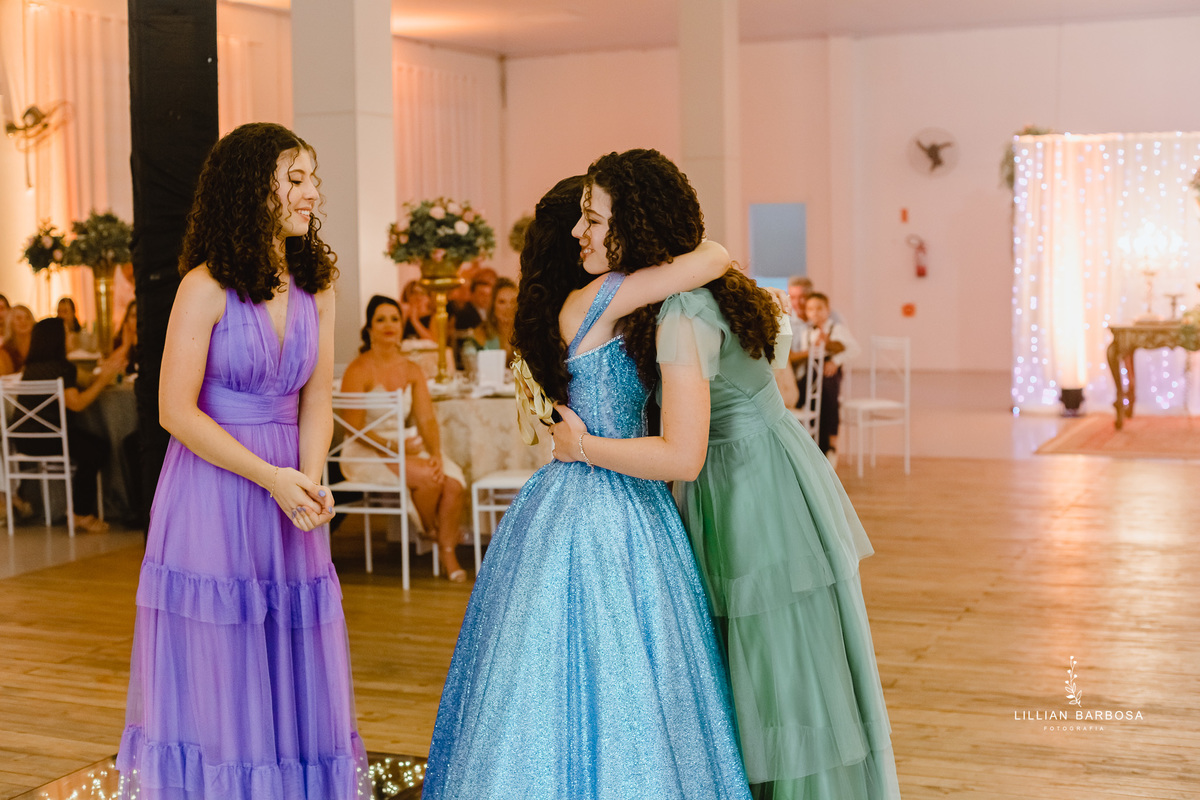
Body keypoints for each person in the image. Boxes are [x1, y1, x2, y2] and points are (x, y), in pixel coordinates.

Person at [552, 149, 901, 800]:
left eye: (593, 219)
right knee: (794, 678)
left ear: (636, 227)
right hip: (774, 475)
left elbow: (683, 457)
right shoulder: (710, 285)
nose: (580, 232)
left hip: (747, 500)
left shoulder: (682, 315)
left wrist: (583, 445)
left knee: (775, 687)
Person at [422, 172, 751, 800]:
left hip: (569, 497)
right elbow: (714, 256)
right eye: (582, 219)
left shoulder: (570, 307)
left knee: (549, 669)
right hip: (617, 500)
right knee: (630, 672)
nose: (583, 232)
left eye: (593, 219)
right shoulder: (601, 298)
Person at [116, 122, 369, 799]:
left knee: (291, 644)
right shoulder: (203, 287)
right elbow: (175, 411)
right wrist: (272, 478)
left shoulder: (319, 286)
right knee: (226, 655)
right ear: (252, 190)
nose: (312, 193)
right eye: (295, 179)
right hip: (216, 487)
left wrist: (310, 480)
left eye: (313, 178)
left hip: (289, 488)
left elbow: (318, 399)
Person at [339, 294, 469, 581]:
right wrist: (391, 445)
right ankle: (438, 538)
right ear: (370, 328)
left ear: (401, 326)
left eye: (395, 319)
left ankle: (443, 544)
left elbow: (426, 419)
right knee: (427, 478)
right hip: (366, 449)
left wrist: (435, 453)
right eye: (381, 320)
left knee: (453, 483)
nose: (389, 325)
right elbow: (353, 429)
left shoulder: (412, 369)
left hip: (404, 446)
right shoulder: (358, 369)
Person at [17, 318, 127, 533]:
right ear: (56, 339)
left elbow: (83, 379)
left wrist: (101, 373)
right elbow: (76, 404)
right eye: (66, 333)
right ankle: (81, 512)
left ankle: (78, 511)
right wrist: (103, 381)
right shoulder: (62, 368)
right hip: (49, 437)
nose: (71, 337)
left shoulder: (31, 368)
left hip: (23, 439)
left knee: (89, 445)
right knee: (97, 449)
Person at [793, 291, 861, 461]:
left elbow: (854, 349)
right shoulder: (806, 333)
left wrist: (836, 361)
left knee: (828, 392)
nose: (814, 313)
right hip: (810, 375)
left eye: (819, 308)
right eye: (810, 309)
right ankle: (808, 444)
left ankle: (830, 446)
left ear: (827, 310)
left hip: (829, 373)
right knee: (806, 396)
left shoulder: (836, 329)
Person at [476, 276, 517, 362]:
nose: (508, 307)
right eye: (502, 302)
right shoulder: (481, 334)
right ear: (493, 306)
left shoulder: (527, 336)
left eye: (513, 301)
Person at [0, 304, 35, 375]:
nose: (23, 321)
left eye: (27, 318)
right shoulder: (5, 352)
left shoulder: (40, 347)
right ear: (11, 323)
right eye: (19, 318)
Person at [112, 299, 140, 376]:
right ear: (127, 319)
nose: (137, 320)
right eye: (133, 316)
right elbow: (109, 366)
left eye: (140, 316)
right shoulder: (118, 340)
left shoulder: (152, 343)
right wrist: (125, 346)